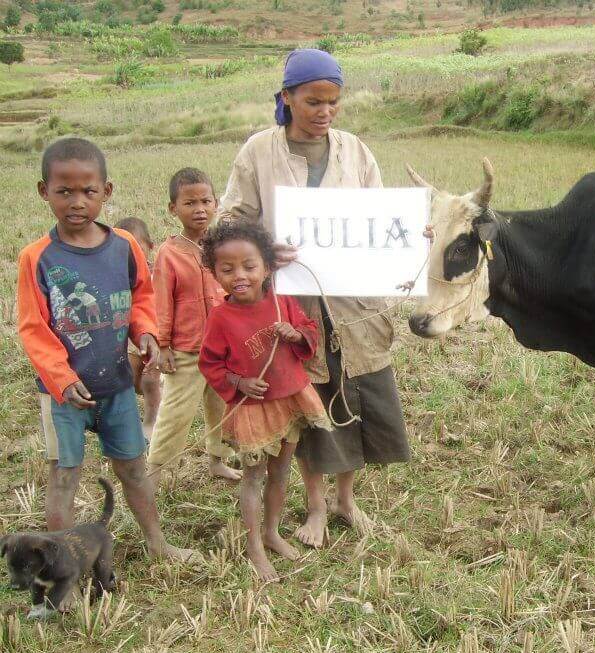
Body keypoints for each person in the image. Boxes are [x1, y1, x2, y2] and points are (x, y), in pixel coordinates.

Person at [219, 48, 431, 546]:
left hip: (354, 305)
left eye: (333, 103)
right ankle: (315, 508)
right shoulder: (259, 152)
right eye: (314, 101)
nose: (324, 112)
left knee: (355, 391)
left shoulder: (356, 151)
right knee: (310, 399)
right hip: (293, 306)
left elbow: (380, 221)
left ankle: (346, 501)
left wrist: (409, 237)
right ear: (287, 98)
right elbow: (230, 219)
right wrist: (266, 246)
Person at [17, 137, 196, 564]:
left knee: (133, 468)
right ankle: (61, 570)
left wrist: (146, 334)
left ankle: (158, 544)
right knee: (64, 477)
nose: (76, 201)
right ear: (45, 192)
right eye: (64, 191)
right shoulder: (36, 258)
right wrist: (63, 379)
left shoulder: (124, 246)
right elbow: (32, 328)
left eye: (88, 191)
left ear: (106, 192)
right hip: (63, 395)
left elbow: (140, 299)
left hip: (116, 385)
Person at [198, 220, 331, 582]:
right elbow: (209, 363)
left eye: (249, 266)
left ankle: (272, 532)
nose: (238, 275)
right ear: (215, 273)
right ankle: (254, 545)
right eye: (226, 269)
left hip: (289, 399)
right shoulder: (221, 317)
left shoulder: (281, 300)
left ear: (268, 267)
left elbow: (310, 330)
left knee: (282, 471)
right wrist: (239, 381)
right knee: (253, 477)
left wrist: (297, 333)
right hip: (254, 410)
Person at [145, 168, 239, 484]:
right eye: (189, 203)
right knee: (175, 413)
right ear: (173, 208)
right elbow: (162, 302)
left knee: (222, 408)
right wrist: (163, 345)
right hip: (186, 351)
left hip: (222, 349)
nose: (199, 209)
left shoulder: (221, 247)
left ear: (216, 204)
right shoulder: (169, 254)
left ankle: (218, 461)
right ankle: (157, 472)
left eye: (205, 201)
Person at [115, 216, 162, 442]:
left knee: (151, 379)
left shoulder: (158, 275)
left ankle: (152, 420)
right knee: (124, 378)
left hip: (156, 341)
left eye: (137, 247)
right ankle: (127, 424)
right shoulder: (115, 279)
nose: (131, 254)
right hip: (131, 343)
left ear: (150, 247)